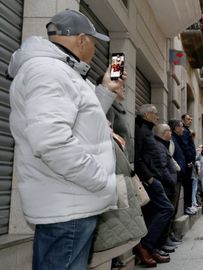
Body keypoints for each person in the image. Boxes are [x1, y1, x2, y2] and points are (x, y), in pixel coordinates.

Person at [8, 9, 125, 270]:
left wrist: (106, 90)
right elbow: (52, 142)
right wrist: (101, 181)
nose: (95, 48)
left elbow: (80, 121)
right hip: (68, 207)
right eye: (94, 41)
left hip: (69, 203)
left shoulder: (61, 71)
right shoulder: (49, 71)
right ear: (81, 40)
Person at [134, 104, 175, 266]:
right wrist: (149, 178)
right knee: (167, 209)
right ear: (147, 115)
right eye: (155, 114)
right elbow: (137, 158)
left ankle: (150, 248)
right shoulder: (142, 131)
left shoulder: (146, 130)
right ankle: (145, 245)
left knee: (152, 213)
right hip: (151, 180)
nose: (157, 117)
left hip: (153, 179)